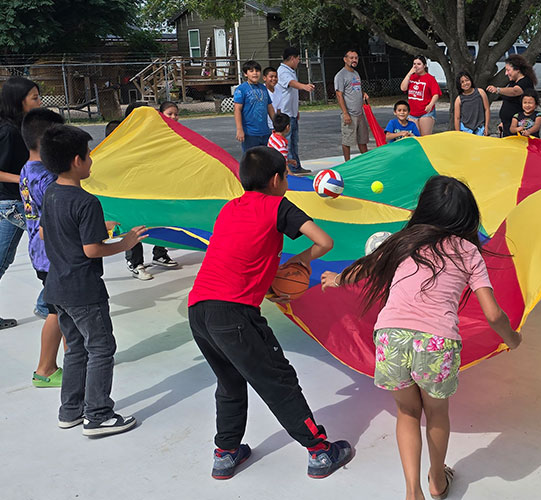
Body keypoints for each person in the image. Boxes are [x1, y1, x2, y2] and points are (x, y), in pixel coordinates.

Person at [321, 175, 522, 500]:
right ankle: (437, 481)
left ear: (424, 209)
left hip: (390, 338)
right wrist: (512, 339)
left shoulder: (404, 240)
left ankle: (412, 491)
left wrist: (337, 278)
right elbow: (494, 314)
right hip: (436, 343)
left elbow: (364, 268)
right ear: (466, 216)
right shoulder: (469, 251)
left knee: (407, 413)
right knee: (437, 414)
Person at [188, 146, 353, 480]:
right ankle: (320, 451)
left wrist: (268, 286)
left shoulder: (230, 208)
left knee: (230, 381)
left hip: (200, 309)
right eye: (286, 176)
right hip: (235, 314)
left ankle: (226, 453)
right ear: (278, 179)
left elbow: (239, 256)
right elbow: (324, 241)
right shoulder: (278, 205)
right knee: (279, 381)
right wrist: (303, 259)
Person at [41, 124, 147, 436]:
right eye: (88, 156)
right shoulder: (86, 201)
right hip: (84, 291)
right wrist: (125, 244)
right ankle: (98, 414)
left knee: (76, 348)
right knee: (101, 347)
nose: (91, 161)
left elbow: (50, 231)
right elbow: (91, 250)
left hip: (57, 288)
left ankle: (71, 410)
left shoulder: (50, 193)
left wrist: (98, 225)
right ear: (77, 161)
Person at [19, 108, 66, 387]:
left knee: (64, 309)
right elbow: (53, 222)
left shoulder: (28, 169)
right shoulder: (48, 179)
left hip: (40, 254)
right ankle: (45, 369)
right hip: (53, 256)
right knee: (57, 311)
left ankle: (73, 357)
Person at [0, 76, 41, 329]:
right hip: (14, 204)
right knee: (59, 247)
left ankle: (48, 304)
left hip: (14, 202)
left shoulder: (20, 126)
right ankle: (49, 305)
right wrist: (28, 180)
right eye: (34, 98)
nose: (39, 102)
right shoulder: (7, 131)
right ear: (19, 101)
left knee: (1, 261)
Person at [118, 104, 178, 279]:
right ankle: (135, 262)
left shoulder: (158, 133)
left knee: (160, 218)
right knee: (134, 223)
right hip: (132, 191)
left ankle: (160, 253)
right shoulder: (124, 138)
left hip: (155, 187)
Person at [276, 47, 315, 175]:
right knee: (287, 142)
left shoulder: (290, 70)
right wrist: (304, 86)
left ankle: (296, 165)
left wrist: (296, 110)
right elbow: (291, 83)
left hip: (292, 112)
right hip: (285, 113)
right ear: (292, 58)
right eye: (298, 59)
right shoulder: (282, 71)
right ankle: (290, 168)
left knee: (294, 141)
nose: (299, 61)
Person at [487, 54, 536, 137]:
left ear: (517, 70)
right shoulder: (512, 82)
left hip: (519, 126)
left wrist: (497, 90)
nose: (506, 73)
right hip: (508, 126)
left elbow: (515, 91)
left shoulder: (526, 82)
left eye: (508, 70)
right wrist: (504, 122)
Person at [334, 49, 370, 161]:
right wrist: (345, 113)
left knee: (362, 140)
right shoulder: (341, 75)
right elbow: (339, 95)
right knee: (347, 141)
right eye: (351, 58)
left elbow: (357, 88)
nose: (354, 60)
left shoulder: (355, 73)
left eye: (356, 58)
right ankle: (347, 163)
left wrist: (363, 94)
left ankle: (367, 161)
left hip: (360, 113)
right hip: (350, 114)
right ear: (345, 59)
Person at [233, 59, 275, 154]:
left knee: (266, 159)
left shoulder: (263, 88)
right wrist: (239, 129)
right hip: (250, 133)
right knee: (251, 160)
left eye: (257, 71)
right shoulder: (241, 89)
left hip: (265, 131)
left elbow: (269, 107)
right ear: (245, 74)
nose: (255, 73)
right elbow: (237, 110)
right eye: (251, 71)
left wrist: (276, 123)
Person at [400, 55, 441, 137]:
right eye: (414, 64)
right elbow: (403, 88)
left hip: (426, 112)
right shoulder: (411, 77)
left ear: (424, 65)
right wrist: (409, 74)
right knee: (414, 136)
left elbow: (436, 94)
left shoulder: (430, 78)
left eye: (419, 64)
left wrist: (430, 104)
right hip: (412, 112)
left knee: (424, 137)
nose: (416, 66)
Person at [453, 71, 490, 136]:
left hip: (480, 128)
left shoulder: (480, 92)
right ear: (459, 85)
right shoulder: (459, 99)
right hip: (465, 129)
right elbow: (457, 118)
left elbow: (487, 109)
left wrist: (486, 127)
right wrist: (458, 134)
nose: (465, 83)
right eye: (462, 82)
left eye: (467, 80)